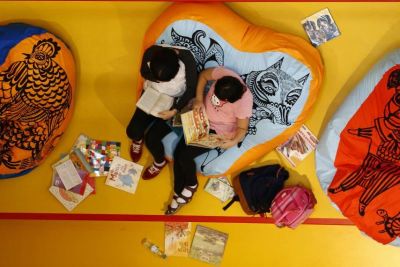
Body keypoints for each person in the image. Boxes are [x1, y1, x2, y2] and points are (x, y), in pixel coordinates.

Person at [165, 66, 253, 215]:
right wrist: (199, 99)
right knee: (179, 152)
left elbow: (242, 129)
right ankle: (178, 192)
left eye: (220, 100)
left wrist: (233, 142)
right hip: (201, 118)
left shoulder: (244, 102)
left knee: (183, 155)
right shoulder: (225, 75)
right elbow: (204, 76)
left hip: (218, 132)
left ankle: (190, 185)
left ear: (227, 100)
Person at [126, 45, 197, 180]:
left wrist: (175, 110)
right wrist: (155, 79)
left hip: (174, 104)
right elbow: (144, 72)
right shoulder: (152, 52)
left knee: (152, 139)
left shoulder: (187, 61)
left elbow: (191, 88)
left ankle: (160, 162)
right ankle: (138, 140)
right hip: (152, 95)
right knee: (132, 131)